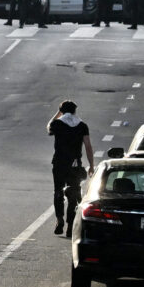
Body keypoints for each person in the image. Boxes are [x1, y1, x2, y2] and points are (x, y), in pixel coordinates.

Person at [48, 100, 94, 238]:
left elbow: (49, 127)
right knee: (73, 193)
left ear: (62, 111)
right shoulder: (82, 125)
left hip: (59, 163)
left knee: (58, 191)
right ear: (75, 111)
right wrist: (91, 165)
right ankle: (70, 226)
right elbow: (88, 146)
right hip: (75, 164)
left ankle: (59, 219)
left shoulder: (57, 123)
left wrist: (58, 113)